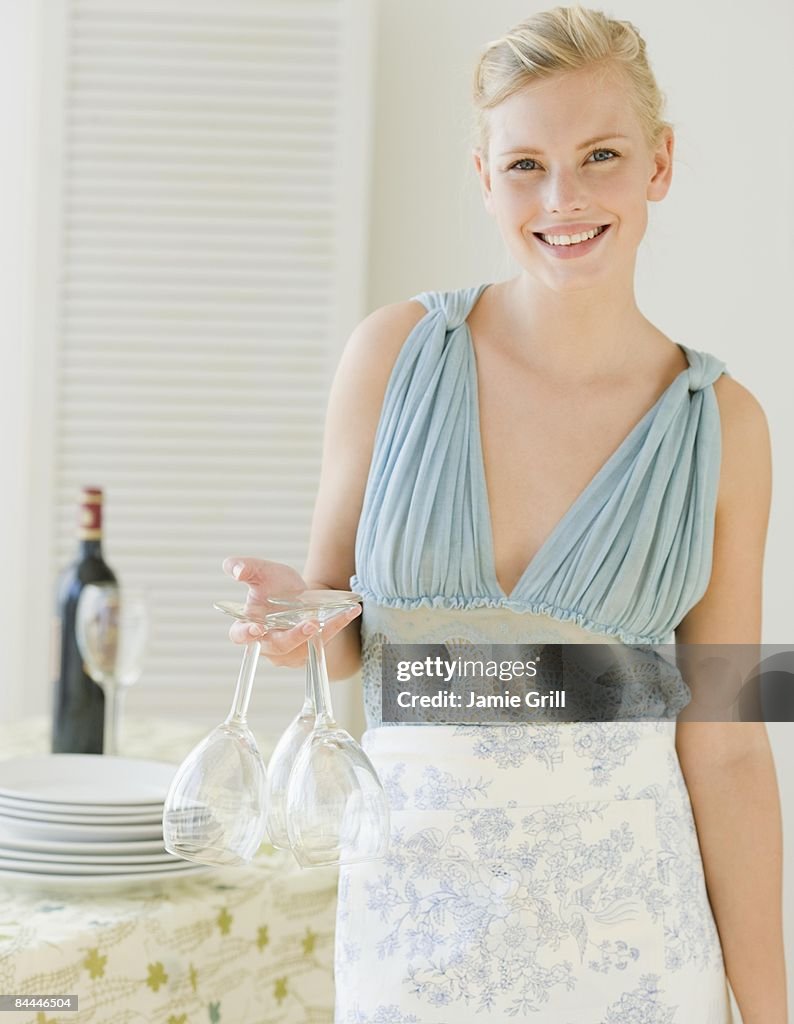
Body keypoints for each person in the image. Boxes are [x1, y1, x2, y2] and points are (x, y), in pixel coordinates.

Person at [224, 6, 786, 1022]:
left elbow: (729, 742)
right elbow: (342, 639)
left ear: (659, 163)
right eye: (523, 164)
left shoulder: (725, 426)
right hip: (412, 931)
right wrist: (296, 621)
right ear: (482, 177)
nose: (561, 197)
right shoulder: (391, 355)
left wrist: (771, 1007)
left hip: (637, 955)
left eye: (599, 154)